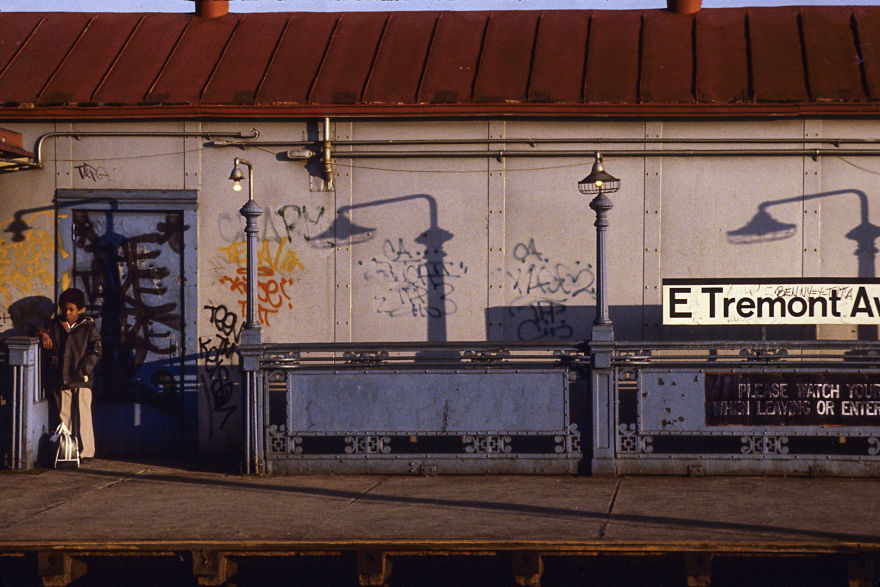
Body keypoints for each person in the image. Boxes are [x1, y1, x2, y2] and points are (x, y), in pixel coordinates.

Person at [38, 288, 102, 460]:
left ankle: (86, 451)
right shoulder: (54, 325)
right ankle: (67, 450)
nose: (67, 313)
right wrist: (43, 333)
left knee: (83, 414)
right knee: (64, 414)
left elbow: (96, 351)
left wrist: (85, 369)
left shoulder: (87, 326)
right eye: (65, 309)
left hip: (81, 378)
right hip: (62, 377)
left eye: (71, 309)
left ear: (80, 309)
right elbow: (38, 327)